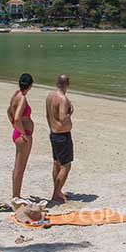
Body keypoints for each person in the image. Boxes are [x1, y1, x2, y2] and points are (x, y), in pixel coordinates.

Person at [46, 74, 74, 203]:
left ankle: (57, 191)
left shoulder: (50, 96)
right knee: (66, 166)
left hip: (53, 133)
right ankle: (56, 194)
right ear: (67, 84)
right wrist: (70, 112)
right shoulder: (62, 99)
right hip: (62, 136)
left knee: (56, 162)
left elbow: (48, 115)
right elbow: (63, 118)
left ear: (57, 83)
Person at [8, 73, 35, 205]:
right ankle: (16, 196)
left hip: (17, 132)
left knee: (17, 166)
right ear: (30, 85)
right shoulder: (22, 98)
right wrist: (24, 133)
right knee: (20, 167)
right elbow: (18, 117)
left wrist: (14, 126)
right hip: (23, 135)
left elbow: (9, 112)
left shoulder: (16, 94)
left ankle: (15, 195)